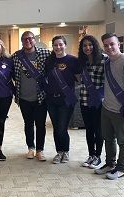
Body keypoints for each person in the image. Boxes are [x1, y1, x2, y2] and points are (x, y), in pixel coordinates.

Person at [94, 33, 124, 180]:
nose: (109, 47)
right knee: (108, 138)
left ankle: (121, 168)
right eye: (106, 45)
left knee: (123, 141)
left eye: (112, 44)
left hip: (122, 109)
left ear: (118, 44)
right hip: (106, 107)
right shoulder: (107, 62)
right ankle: (110, 164)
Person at [12, 31, 50, 161]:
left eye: (30, 38)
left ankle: (40, 150)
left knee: (40, 125)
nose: (28, 41)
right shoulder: (16, 56)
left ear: (34, 40)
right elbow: (12, 74)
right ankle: (31, 148)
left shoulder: (45, 53)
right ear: (22, 42)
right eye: (25, 39)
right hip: (23, 97)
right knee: (28, 123)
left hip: (40, 97)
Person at [45, 35, 80, 164]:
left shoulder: (73, 60)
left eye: (60, 44)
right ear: (52, 47)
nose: (58, 47)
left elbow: (79, 78)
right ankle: (59, 152)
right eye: (55, 45)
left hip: (66, 100)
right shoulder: (49, 61)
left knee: (62, 127)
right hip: (51, 100)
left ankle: (65, 151)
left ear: (65, 45)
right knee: (56, 127)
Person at [78, 35, 107, 169]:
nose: (87, 47)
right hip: (84, 99)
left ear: (95, 45)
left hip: (98, 101)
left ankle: (98, 156)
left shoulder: (104, 60)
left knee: (98, 129)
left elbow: (109, 81)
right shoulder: (82, 62)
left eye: (90, 45)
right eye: (84, 45)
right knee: (89, 129)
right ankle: (91, 155)